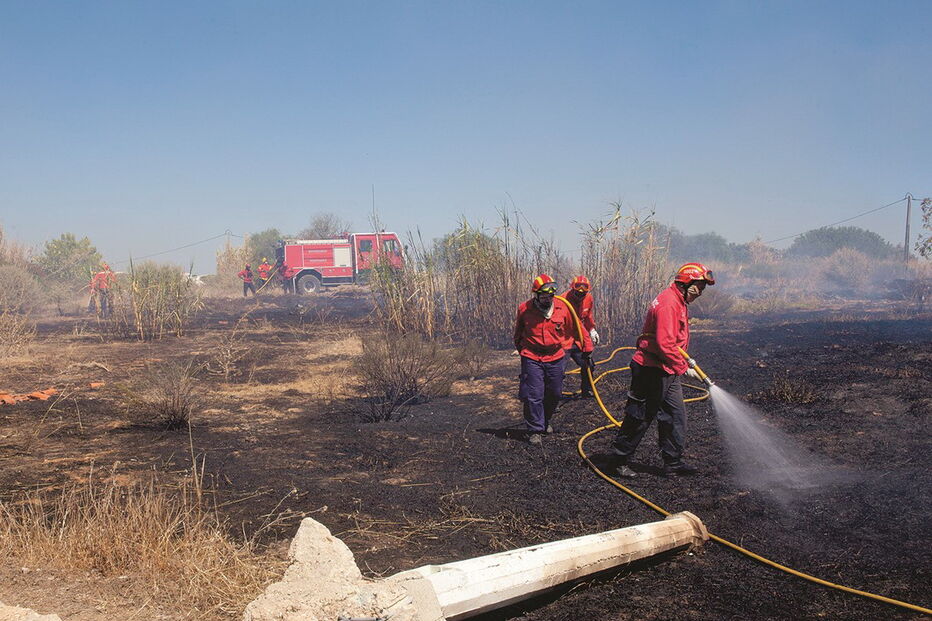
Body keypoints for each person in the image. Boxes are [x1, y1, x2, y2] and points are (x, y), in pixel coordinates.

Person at [609, 263, 715, 478]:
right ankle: (619, 460)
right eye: (698, 287)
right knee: (640, 417)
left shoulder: (679, 300)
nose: (700, 292)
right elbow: (665, 343)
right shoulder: (669, 303)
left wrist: (678, 367)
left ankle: (672, 463)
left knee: (675, 415)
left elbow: (672, 343)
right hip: (651, 369)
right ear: (685, 283)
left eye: (703, 288)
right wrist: (684, 368)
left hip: (667, 368)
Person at [514, 274, 581, 445]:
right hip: (532, 356)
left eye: (551, 295)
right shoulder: (524, 309)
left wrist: (585, 349)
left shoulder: (563, 308)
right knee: (534, 395)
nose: (548, 299)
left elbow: (576, 330)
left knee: (555, 392)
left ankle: (545, 420)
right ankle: (535, 429)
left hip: (556, 356)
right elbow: (518, 334)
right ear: (536, 294)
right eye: (544, 295)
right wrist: (524, 352)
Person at [563, 275, 600, 398]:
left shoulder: (588, 298)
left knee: (588, 364)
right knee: (557, 371)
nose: (580, 296)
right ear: (572, 289)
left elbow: (588, 316)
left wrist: (592, 329)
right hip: (563, 340)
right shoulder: (562, 300)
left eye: (583, 294)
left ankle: (587, 390)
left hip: (579, 339)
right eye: (577, 293)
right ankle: (552, 399)